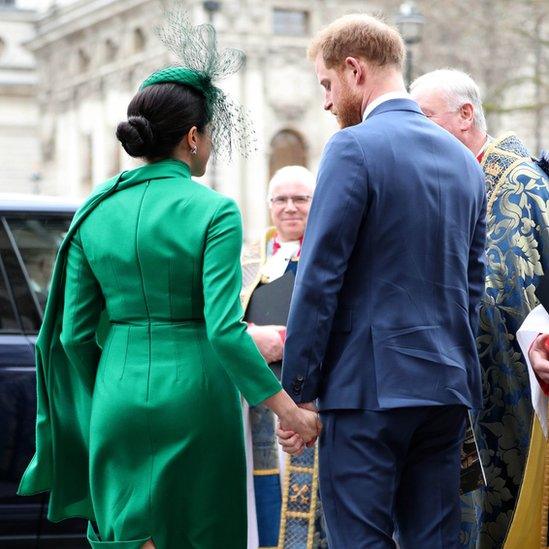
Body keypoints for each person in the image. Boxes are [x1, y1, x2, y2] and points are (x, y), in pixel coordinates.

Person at [16, 20, 320, 549]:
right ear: (193, 137)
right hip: (197, 399)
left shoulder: (95, 210)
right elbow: (224, 331)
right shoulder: (215, 211)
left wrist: (111, 384)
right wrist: (289, 411)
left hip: (116, 393)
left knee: (127, 537)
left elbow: (70, 336)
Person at [277, 14, 486, 549]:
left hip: (367, 389)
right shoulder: (465, 163)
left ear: (354, 70)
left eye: (327, 84)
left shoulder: (353, 148)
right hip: (445, 389)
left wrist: (298, 391)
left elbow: (320, 278)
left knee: (360, 539)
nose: (326, 101)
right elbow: (471, 289)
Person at [410, 68, 549, 549]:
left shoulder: (516, 185)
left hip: (512, 398)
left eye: (424, 117)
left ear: (465, 115)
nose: (415, 131)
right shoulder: (458, 180)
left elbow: (503, 297)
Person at [241, 166, 326, 548]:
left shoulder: (330, 252)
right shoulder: (247, 257)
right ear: (269, 204)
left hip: (316, 403)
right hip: (257, 404)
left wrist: (286, 340)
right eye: (281, 199)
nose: (290, 208)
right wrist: (249, 336)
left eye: (301, 199)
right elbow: (218, 318)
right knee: (265, 492)